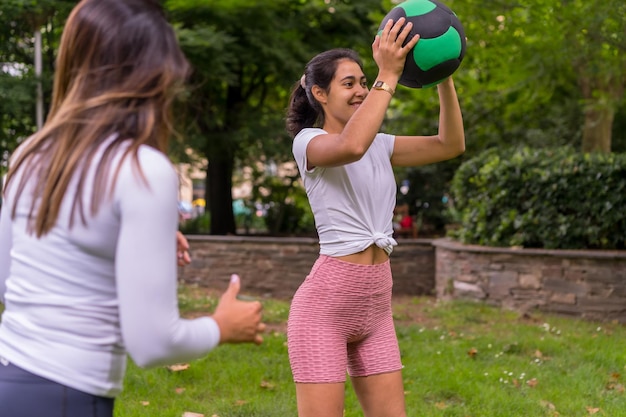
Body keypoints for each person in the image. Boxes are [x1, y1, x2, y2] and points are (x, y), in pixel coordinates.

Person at [0, 1, 264, 416]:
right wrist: (222, 326)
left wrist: (127, 246)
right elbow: (153, 343)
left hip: (10, 382)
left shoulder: (29, 154)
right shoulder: (143, 171)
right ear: (156, 72)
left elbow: (11, 283)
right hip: (69, 398)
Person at [285, 16, 465, 417]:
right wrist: (388, 73)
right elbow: (350, 146)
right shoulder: (309, 142)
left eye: (364, 82)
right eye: (349, 83)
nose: (362, 90)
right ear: (320, 93)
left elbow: (450, 144)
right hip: (323, 312)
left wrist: (442, 74)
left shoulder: (380, 145)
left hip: (376, 307)